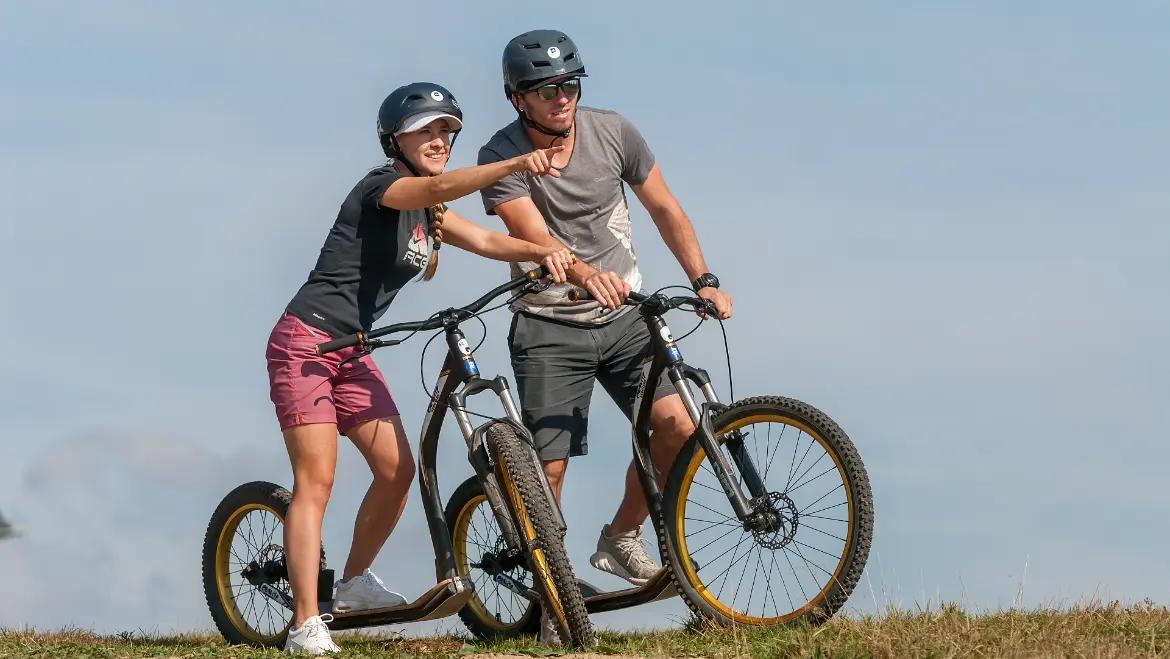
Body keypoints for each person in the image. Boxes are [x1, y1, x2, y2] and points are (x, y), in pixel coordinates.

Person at [268, 81, 575, 655]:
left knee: (396, 472)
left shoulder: (427, 213)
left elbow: (486, 241)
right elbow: (436, 186)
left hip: (352, 350)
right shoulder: (382, 187)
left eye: (446, 132)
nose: (439, 141)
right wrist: (515, 163)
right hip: (305, 344)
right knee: (317, 481)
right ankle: (306, 623)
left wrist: (543, 252)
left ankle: (352, 584)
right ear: (396, 141)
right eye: (425, 132)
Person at [476, 30, 733, 645]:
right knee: (549, 471)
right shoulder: (501, 155)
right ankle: (554, 603)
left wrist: (703, 279)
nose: (562, 97)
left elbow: (665, 208)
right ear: (517, 98)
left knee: (679, 426)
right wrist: (587, 275)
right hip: (549, 327)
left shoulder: (615, 131)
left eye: (570, 84)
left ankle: (621, 537)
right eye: (546, 90)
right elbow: (534, 236)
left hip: (625, 320)